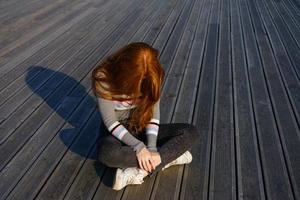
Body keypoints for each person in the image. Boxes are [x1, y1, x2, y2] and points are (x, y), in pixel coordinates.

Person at [91, 42, 200, 190]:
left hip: (140, 125)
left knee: (190, 132)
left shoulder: (152, 77)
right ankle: (168, 158)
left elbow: (154, 115)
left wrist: (152, 147)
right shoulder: (103, 77)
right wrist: (138, 146)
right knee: (106, 153)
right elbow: (110, 122)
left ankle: (140, 171)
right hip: (115, 132)